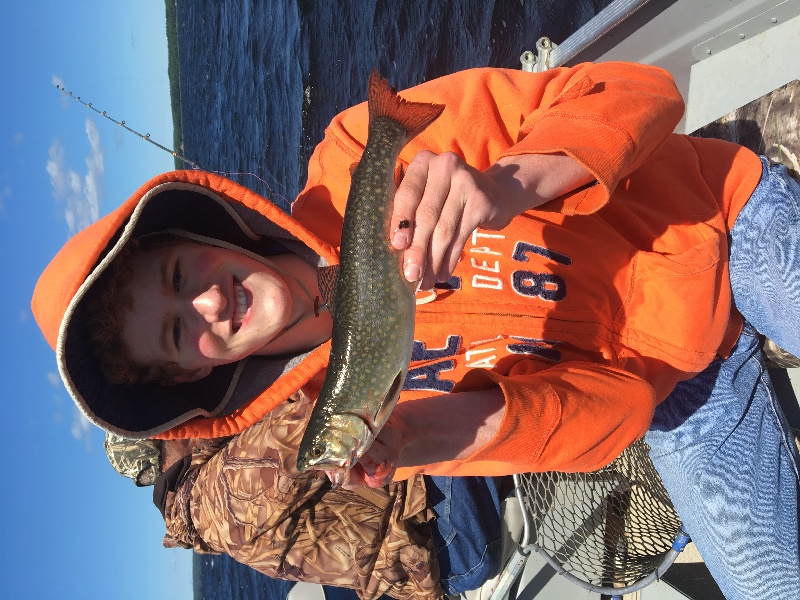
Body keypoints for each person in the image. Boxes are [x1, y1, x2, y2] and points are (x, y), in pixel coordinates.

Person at [32, 62, 799, 598]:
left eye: (177, 276)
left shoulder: (355, 159)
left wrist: (512, 180)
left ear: (201, 233)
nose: (206, 304)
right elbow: (622, 411)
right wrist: (446, 434)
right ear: (190, 376)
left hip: (723, 219)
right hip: (690, 399)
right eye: (176, 334)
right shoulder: (381, 405)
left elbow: (640, 91)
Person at [103, 392, 510, 599]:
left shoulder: (201, 508)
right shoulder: (223, 488)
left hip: (422, 551)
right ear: (164, 443)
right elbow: (330, 412)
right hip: (446, 534)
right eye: (166, 422)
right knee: (461, 368)